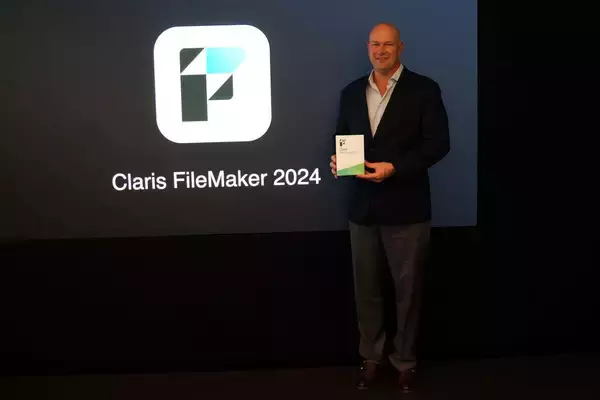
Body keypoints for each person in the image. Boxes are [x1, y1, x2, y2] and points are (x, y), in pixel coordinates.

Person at [330, 23, 450, 392]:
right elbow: (342, 137)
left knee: (408, 292)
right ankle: (371, 357)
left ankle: (405, 361)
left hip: (407, 208)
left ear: (400, 47)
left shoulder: (424, 89)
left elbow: (438, 144)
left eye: (387, 44)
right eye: (375, 44)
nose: (380, 50)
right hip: (362, 208)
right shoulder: (352, 92)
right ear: (368, 47)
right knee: (366, 290)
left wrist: (395, 168)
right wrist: (338, 161)